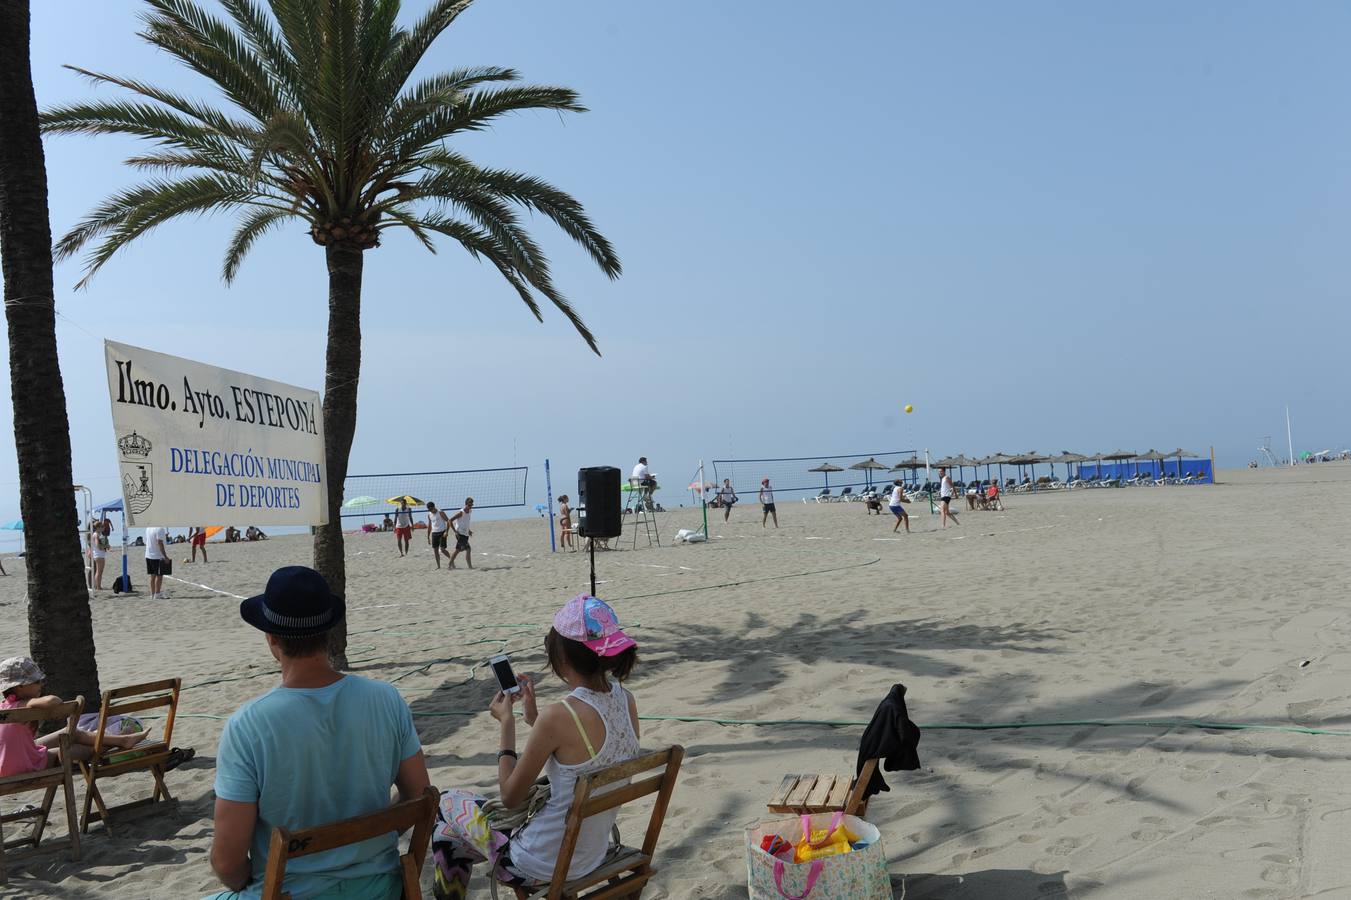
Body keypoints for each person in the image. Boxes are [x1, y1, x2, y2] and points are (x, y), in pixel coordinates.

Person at [205, 566, 430, 900]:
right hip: (381, 888)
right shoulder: (386, 699)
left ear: (272, 638)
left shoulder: (248, 726)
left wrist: (255, 883)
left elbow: (227, 862)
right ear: (328, 632)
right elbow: (419, 795)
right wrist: (366, 837)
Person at [431, 594, 640, 897]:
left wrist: (507, 723)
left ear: (562, 657)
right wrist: (535, 720)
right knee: (448, 835)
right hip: (589, 854)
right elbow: (585, 751)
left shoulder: (559, 716)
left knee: (446, 802)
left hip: (539, 864)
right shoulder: (626, 700)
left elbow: (510, 797)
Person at [0, 657, 149, 778]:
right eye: (37, 681)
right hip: (25, 766)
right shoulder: (24, 704)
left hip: (4, 766)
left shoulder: (4, 707)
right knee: (75, 750)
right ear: (20, 686)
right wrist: (42, 704)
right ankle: (118, 741)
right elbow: (53, 701)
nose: (41, 685)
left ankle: (122, 739)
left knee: (71, 732)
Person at [144, 523, 170, 599]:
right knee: (159, 576)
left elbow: (149, 540)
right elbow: (159, 543)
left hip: (148, 555)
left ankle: (153, 594)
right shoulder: (160, 528)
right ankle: (157, 594)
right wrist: (165, 556)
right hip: (157, 556)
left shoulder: (148, 528)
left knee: (152, 576)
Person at [447, 498, 474, 570]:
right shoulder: (461, 512)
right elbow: (450, 520)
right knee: (467, 549)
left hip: (465, 534)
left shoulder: (470, 511)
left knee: (459, 550)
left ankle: (450, 564)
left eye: (471, 505)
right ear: (466, 504)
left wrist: (469, 530)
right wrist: (455, 531)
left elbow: (466, 522)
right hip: (460, 534)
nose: (471, 506)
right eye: (469, 505)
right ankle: (470, 567)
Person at [427, 501, 452, 569]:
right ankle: (438, 566)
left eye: (431, 509)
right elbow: (429, 526)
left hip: (442, 532)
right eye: (429, 509)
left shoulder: (440, 512)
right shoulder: (429, 514)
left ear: (434, 507)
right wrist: (428, 537)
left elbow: (448, 521)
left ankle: (451, 560)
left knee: (442, 549)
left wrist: (446, 531)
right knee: (435, 551)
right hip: (434, 533)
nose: (431, 510)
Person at [89, 518, 110, 590]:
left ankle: (98, 586)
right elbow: (98, 546)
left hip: (100, 554)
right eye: (102, 526)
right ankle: (98, 586)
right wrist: (106, 546)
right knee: (99, 572)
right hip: (99, 555)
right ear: (97, 528)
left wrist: (106, 545)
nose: (103, 528)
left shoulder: (99, 534)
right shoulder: (96, 535)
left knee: (100, 572)